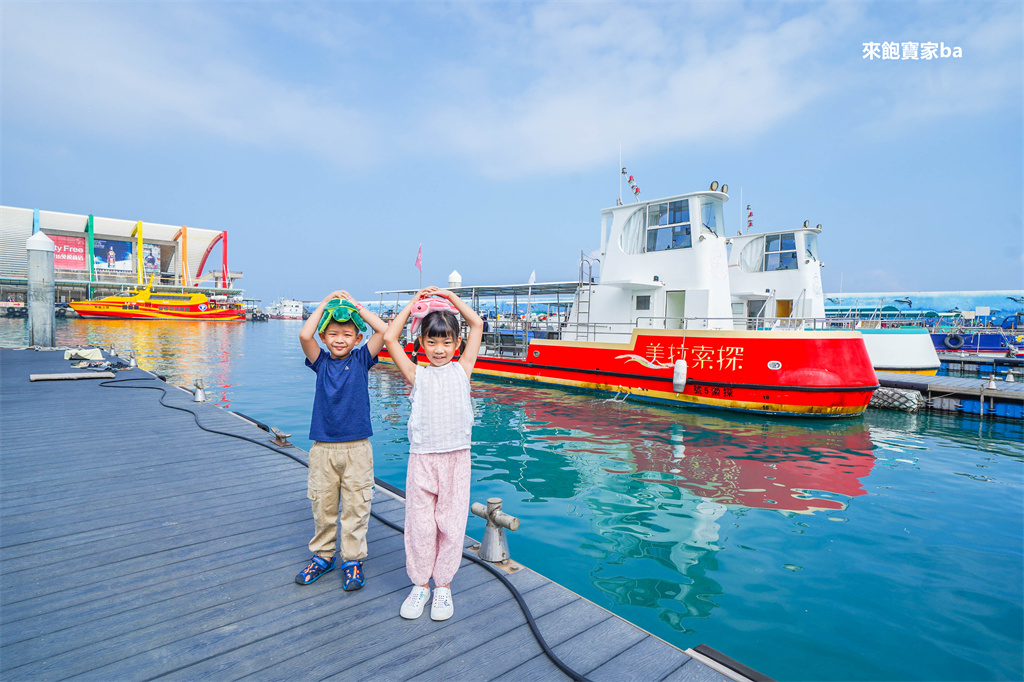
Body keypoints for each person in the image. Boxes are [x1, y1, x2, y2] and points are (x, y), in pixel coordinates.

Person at [383, 286, 483, 621]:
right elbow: (389, 338)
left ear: (457, 343)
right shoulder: (416, 374)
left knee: (452, 526)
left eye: (446, 342)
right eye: (431, 341)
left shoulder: (462, 369)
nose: (439, 349)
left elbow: (478, 324)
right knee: (420, 525)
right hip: (423, 459)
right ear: (422, 342)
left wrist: (450, 299)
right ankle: (420, 585)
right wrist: (415, 304)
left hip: (456, 458)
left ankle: (443, 587)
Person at [295, 290, 387, 591]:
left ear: (358, 338)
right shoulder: (320, 362)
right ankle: (323, 556)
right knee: (322, 504)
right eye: (333, 333)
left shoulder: (362, 360)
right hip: (323, 448)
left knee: (356, 507)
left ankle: (351, 560)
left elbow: (384, 331)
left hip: (357, 447)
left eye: (347, 334)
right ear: (324, 336)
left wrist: (356, 307)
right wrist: (325, 304)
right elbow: (304, 334)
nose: (340, 339)